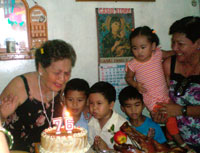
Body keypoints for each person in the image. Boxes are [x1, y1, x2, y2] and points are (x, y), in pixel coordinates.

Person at [0, 39, 76, 152]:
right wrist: (2, 115)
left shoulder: (61, 87)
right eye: (57, 73)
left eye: (67, 73)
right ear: (41, 68)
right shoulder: (20, 86)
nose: (62, 79)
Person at [125, 26, 190, 149]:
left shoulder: (158, 54)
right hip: (152, 99)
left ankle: (170, 139)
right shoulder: (133, 64)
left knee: (173, 117)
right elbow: (128, 78)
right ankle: (181, 144)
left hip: (165, 95)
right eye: (135, 48)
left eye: (143, 47)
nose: (139, 51)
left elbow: (173, 53)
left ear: (153, 46)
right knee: (169, 118)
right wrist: (135, 84)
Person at [152, 16, 200, 152]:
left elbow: (177, 108)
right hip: (178, 142)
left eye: (181, 44)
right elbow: (165, 99)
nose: (174, 48)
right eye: (173, 42)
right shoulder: (169, 65)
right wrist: (159, 113)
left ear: (198, 43)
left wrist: (182, 110)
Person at [88, 81, 131, 151]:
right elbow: (89, 145)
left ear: (111, 105)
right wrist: (94, 147)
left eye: (99, 103)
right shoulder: (92, 121)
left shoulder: (123, 126)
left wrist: (107, 150)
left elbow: (130, 151)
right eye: (91, 103)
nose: (94, 107)